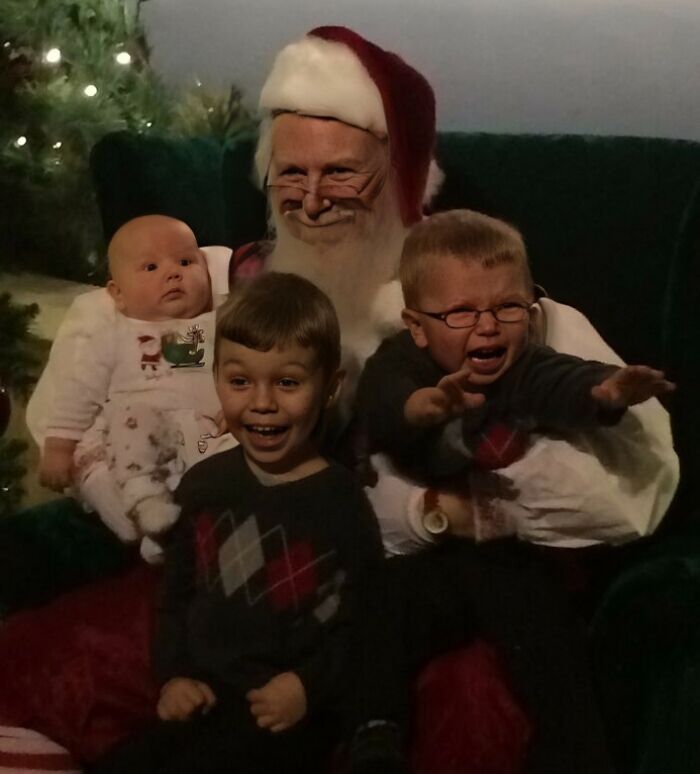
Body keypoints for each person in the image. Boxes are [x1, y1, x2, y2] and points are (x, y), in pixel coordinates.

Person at [0, 25, 678, 772]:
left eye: (341, 173)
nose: (312, 200)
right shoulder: (244, 279)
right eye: (291, 174)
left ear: (402, 180)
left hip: (436, 597)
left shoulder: (490, 303)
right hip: (260, 574)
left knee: (456, 714)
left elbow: (640, 488)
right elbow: (117, 312)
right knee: (76, 663)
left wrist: (461, 512)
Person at [91, 272, 384, 774]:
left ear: (330, 388)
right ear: (217, 381)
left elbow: (366, 625)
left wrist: (308, 685)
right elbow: (174, 596)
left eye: (287, 382)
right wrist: (173, 677)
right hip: (201, 698)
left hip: (286, 718)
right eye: (240, 381)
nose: (262, 402)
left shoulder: (342, 501)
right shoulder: (205, 484)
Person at [356, 209, 674, 496]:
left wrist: (608, 388)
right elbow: (377, 398)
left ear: (530, 313)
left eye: (507, 306)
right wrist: (415, 408)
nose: (488, 326)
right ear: (417, 328)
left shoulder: (523, 366)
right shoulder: (402, 359)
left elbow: (563, 379)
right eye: (462, 312)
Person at [37, 214, 233, 549]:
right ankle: (146, 508)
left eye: (186, 262)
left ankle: (180, 531)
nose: (173, 272)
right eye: (151, 268)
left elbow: (246, 370)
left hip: (203, 432)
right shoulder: (112, 334)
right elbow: (79, 390)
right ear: (118, 293)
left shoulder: (217, 325)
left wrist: (237, 408)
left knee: (235, 456)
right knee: (129, 422)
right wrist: (58, 447)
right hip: (140, 432)